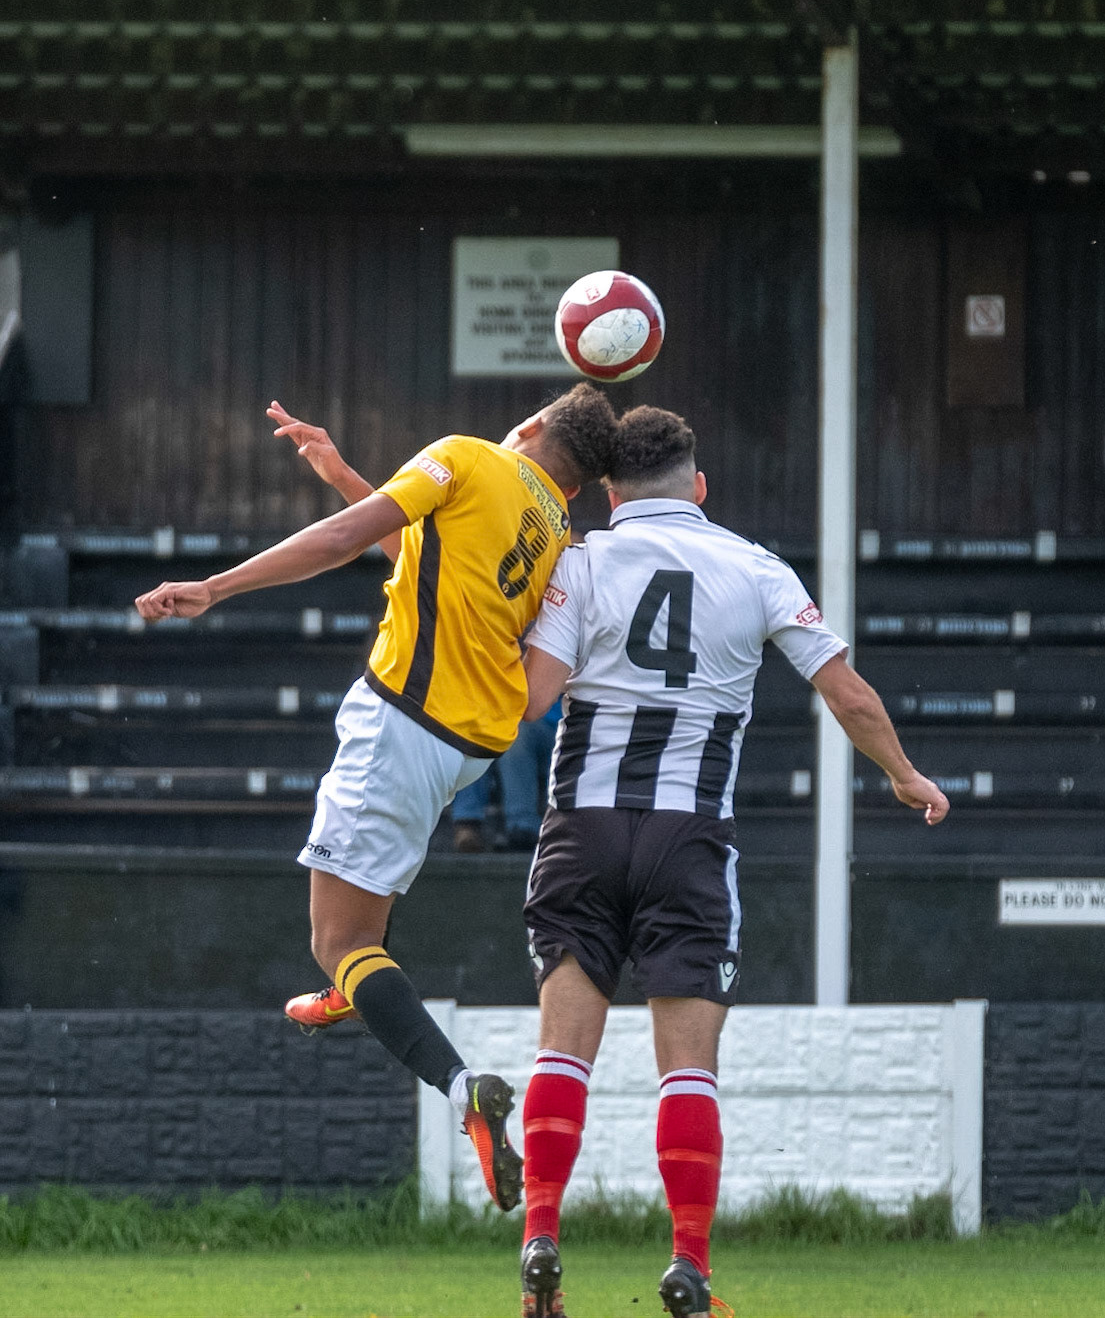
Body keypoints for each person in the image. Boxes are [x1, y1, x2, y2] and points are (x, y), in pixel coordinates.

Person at [134, 383, 618, 1213]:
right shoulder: (555, 534)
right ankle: (354, 984)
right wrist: (343, 474)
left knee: (338, 939)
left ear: (532, 425)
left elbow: (343, 541)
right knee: (360, 922)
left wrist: (215, 586)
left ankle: (461, 1086)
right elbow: (423, 558)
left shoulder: (469, 456)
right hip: (464, 745)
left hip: (401, 725)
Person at [516, 406, 950, 1318]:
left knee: (563, 1051)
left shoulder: (579, 564)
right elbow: (846, 694)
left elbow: (533, 701)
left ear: (610, 493)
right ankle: (688, 1262)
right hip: (689, 839)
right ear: (699, 486)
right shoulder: (756, 569)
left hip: (582, 829)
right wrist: (903, 775)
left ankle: (541, 1236)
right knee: (687, 1068)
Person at [452, 701, 562, 853]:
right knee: (474, 722)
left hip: (551, 725)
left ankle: (522, 828)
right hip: (498, 719)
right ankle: (466, 824)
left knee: (517, 733)